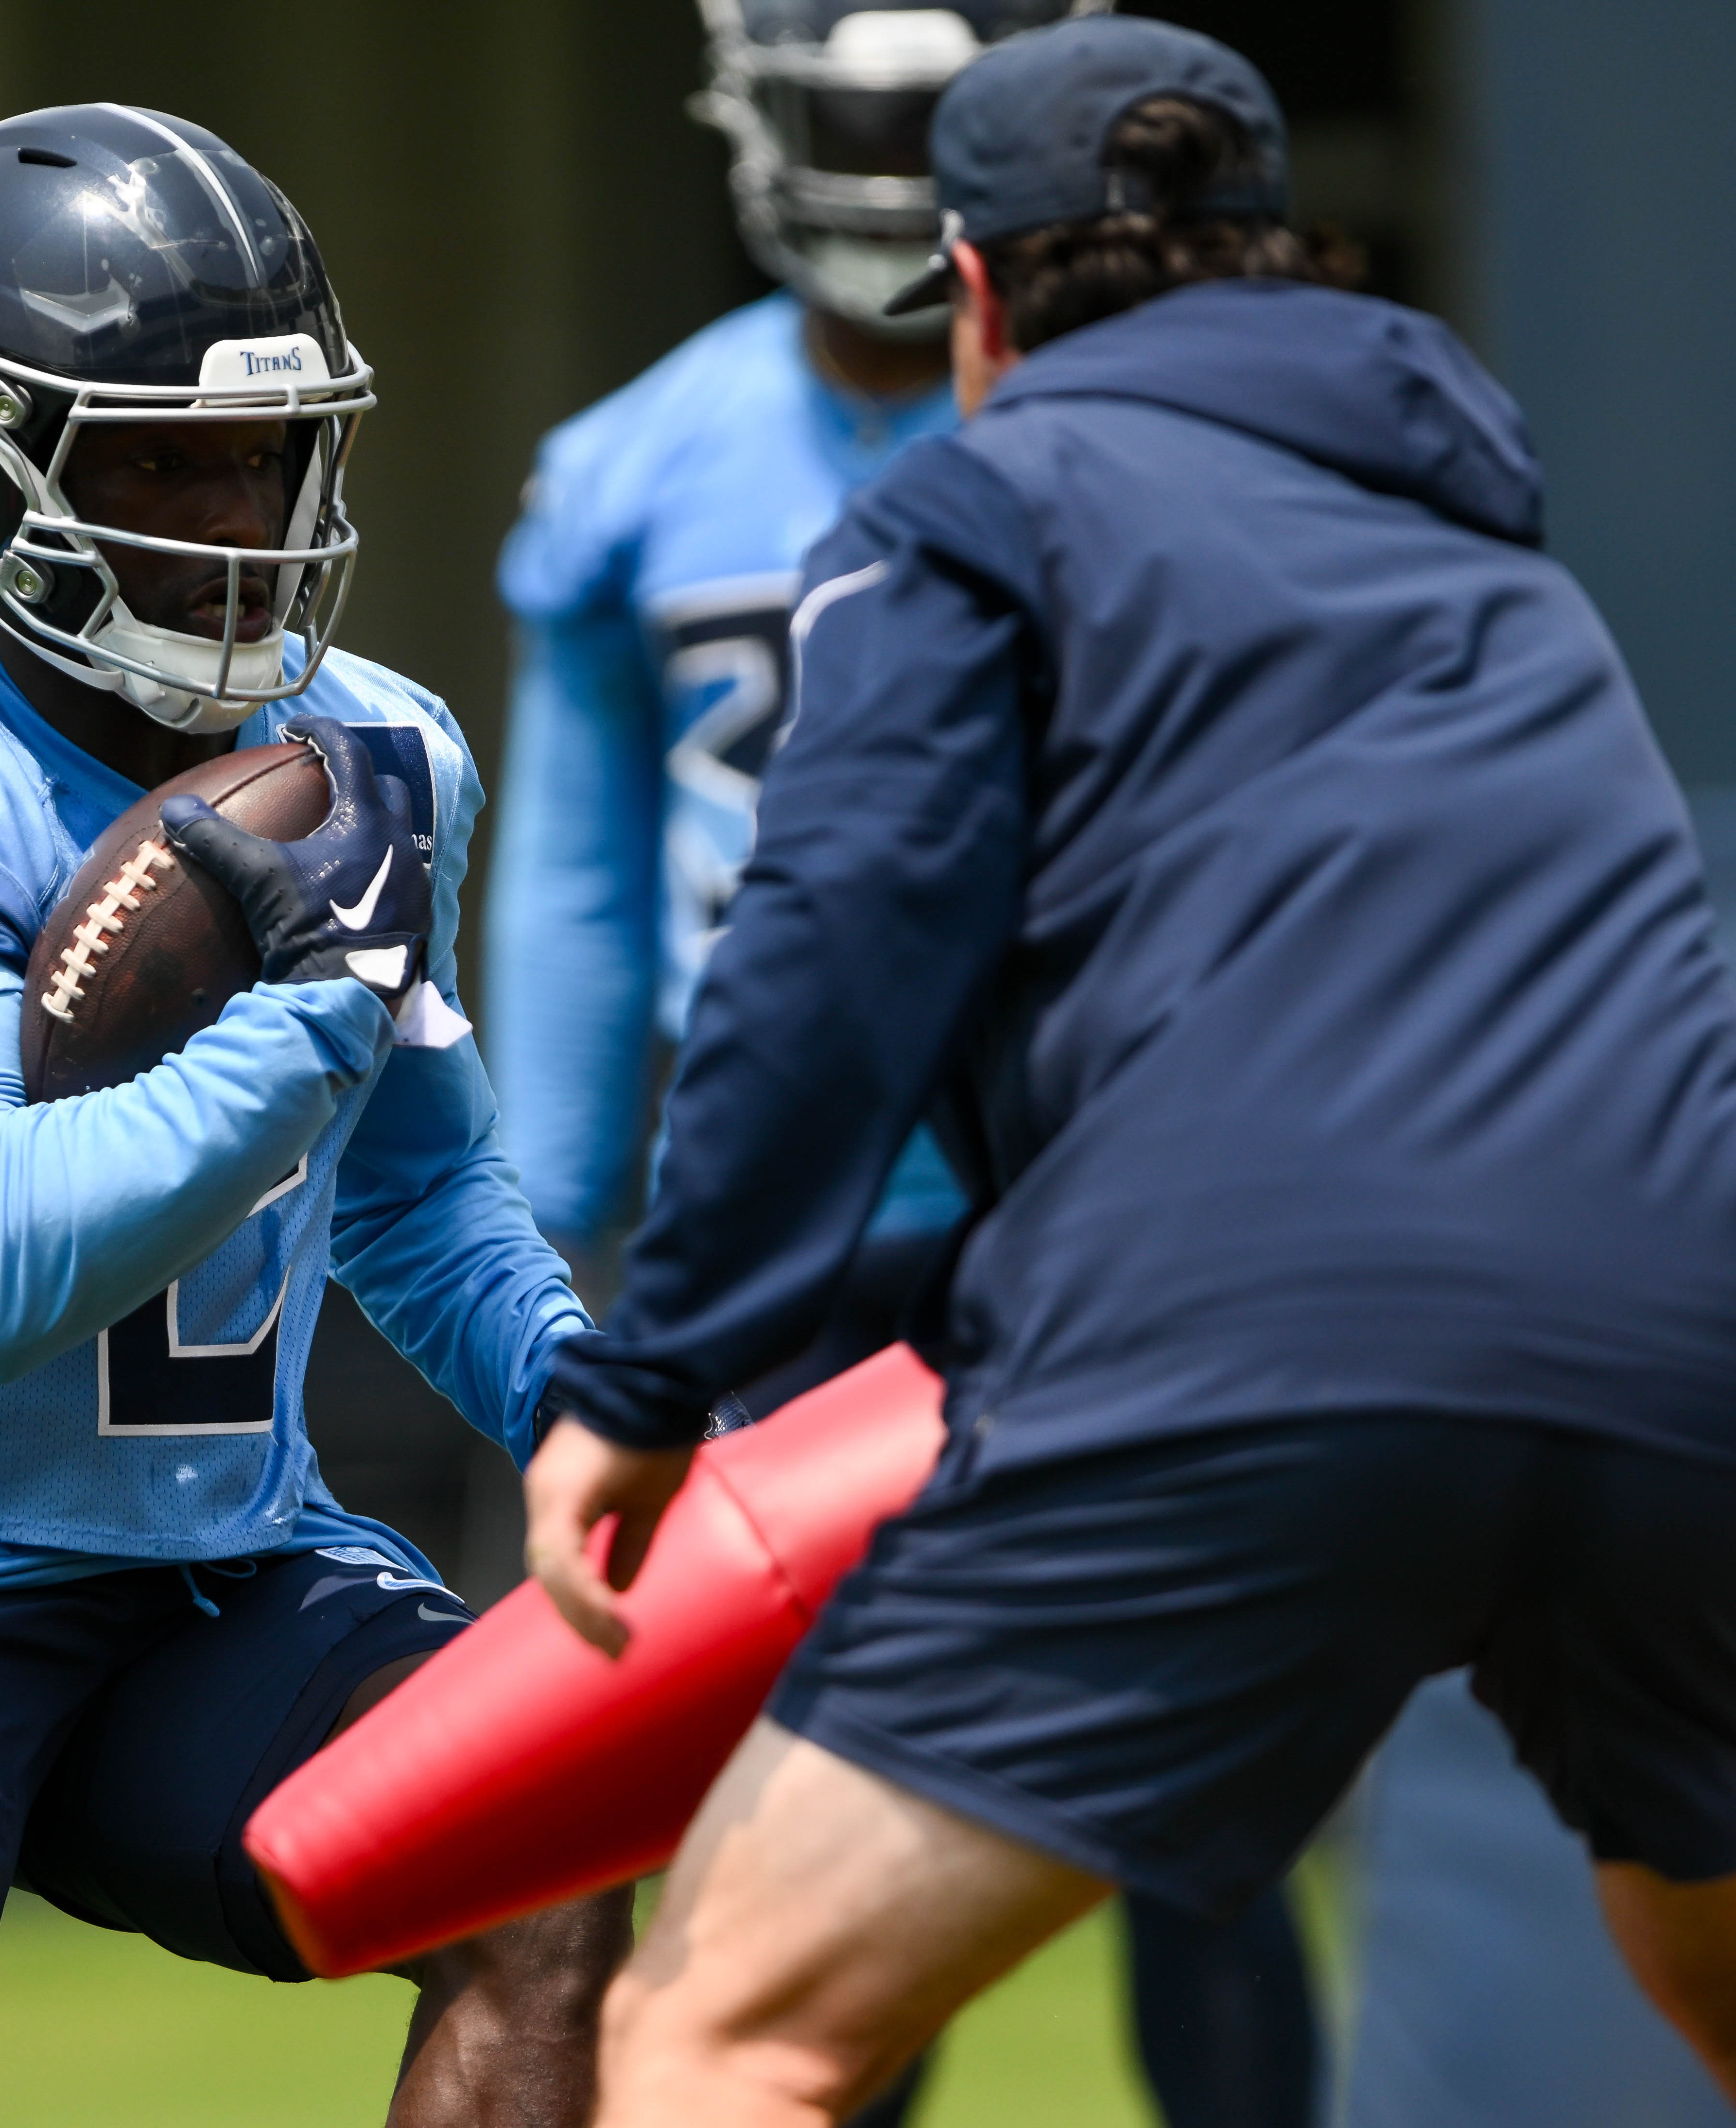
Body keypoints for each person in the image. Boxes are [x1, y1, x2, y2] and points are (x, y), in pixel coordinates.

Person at [519, 19, 1736, 2128]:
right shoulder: (1480, 540)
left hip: (1255, 1311)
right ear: (1266, 256)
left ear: (975, 294)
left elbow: (823, 964)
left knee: (725, 2036)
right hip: (1714, 1318)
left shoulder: (962, 512)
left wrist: (649, 1372)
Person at [0, 107, 622, 2128]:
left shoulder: (384, 750)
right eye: (162, 461)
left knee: (547, 1867)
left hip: (216, 1559)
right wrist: (310, 1022)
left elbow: (421, 1192)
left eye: (268, 453)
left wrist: (583, 1397)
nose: (238, 516)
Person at [486, 6, 1320, 2121]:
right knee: (805, 1791)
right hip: (795, 1235)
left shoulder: (1106, 444)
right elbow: (577, 875)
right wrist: (554, 1233)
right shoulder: (637, 467)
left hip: (1080, 1186)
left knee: (1193, 1805)